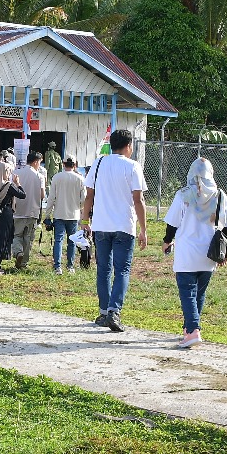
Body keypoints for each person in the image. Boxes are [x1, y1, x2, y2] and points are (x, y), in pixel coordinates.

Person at [81, 129, 148, 332]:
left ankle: (103, 311)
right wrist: (143, 229)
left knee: (103, 269)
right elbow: (139, 200)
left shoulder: (99, 163)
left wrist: (85, 220)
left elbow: (89, 196)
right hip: (124, 226)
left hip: (101, 225)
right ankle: (114, 311)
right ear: (128, 146)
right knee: (122, 270)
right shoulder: (133, 166)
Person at [162, 157, 227, 348]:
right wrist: (224, 253)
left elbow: (172, 224)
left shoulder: (184, 195)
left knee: (187, 292)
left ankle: (193, 330)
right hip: (209, 254)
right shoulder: (220, 196)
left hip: (187, 253)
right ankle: (188, 329)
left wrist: (167, 241)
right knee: (198, 294)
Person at [0, 159, 26, 276]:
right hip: (4, 214)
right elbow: (23, 195)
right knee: (3, 238)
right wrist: (18, 183)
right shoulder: (9, 186)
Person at [47, 156, 84, 274]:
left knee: (58, 240)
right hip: (73, 214)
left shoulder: (57, 177)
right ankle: (70, 266)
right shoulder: (79, 178)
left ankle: (57, 266)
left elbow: (51, 197)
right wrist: (79, 207)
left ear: (63, 164)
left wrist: (47, 214)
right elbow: (84, 199)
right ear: (74, 165)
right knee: (71, 241)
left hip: (59, 213)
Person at [12, 150, 47, 269]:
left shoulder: (16, 173)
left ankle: (18, 252)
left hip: (18, 209)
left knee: (16, 235)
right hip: (33, 210)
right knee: (28, 238)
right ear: (36, 162)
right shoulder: (40, 176)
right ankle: (23, 263)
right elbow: (42, 195)